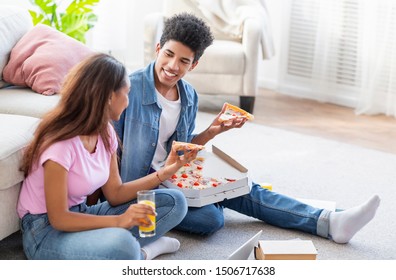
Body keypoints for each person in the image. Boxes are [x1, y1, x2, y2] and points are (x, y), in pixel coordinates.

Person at [114, 13, 381, 244]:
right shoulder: (128, 88)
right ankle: (219, 199)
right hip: (143, 186)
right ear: (158, 48)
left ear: (194, 64)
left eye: (184, 61)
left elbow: (182, 148)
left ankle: (328, 221)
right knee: (210, 219)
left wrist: (213, 131)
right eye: (169, 54)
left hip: (176, 173)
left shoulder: (190, 96)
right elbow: (108, 151)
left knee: (241, 186)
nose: (173, 66)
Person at [17, 53, 201, 260]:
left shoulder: (105, 131)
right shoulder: (60, 144)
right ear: (109, 97)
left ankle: (128, 250)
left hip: (82, 213)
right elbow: (59, 218)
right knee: (123, 247)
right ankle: (141, 251)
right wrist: (119, 222)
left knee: (174, 201)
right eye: (127, 93)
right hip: (45, 230)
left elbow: (115, 193)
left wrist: (167, 171)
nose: (128, 101)